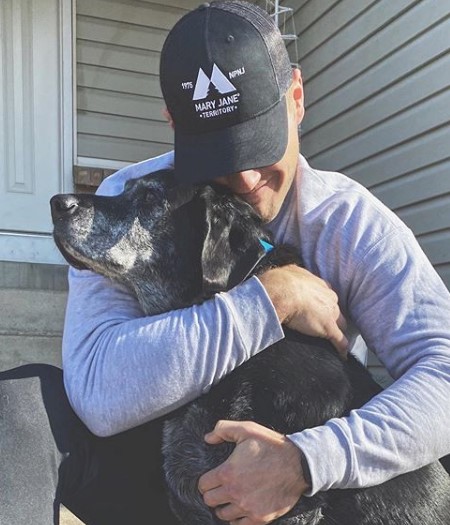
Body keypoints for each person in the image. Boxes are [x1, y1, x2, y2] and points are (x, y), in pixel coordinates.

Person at [1, 1, 449, 524]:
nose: (244, 179)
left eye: (258, 145)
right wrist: (271, 300)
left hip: (303, 476)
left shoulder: (350, 224)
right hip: (172, 468)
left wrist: (308, 461)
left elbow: (444, 372)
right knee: (21, 404)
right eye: (217, 154)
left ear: (297, 99)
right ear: (172, 123)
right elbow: (99, 390)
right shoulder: (130, 199)